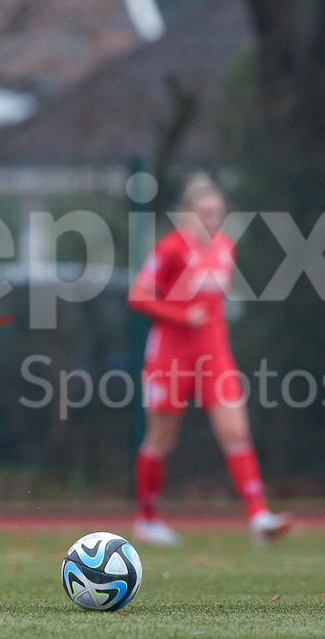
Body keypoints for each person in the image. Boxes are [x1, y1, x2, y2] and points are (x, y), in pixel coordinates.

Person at [127, 173, 290, 547]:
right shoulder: (170, 248)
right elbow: (138, 295)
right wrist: (182, 316)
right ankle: (147, 519)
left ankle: (258, 516)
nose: (211, 219)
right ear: (186, 213)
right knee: (161, 438)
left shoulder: (226, 248)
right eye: (203, 212)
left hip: (214, 355)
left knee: (236, 432)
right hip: (170, 355)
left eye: (216, 212)